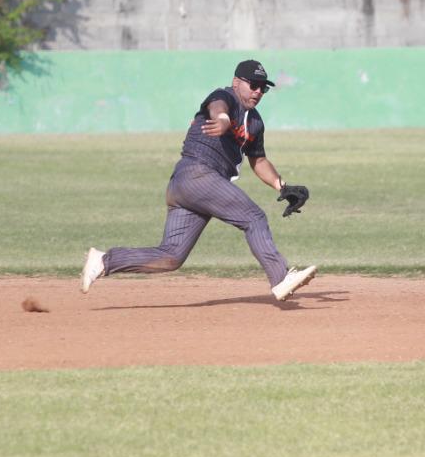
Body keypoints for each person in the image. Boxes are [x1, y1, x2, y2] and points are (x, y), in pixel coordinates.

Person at [80, 58, 317, 302]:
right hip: (197, 173)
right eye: (253, 84)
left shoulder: (255, 122)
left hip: (189, 187)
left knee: (171, 256)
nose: (258, 91)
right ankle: (280, 278)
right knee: (254, 217)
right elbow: (217, 106)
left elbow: (258, 160)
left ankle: (104, 261)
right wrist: (223, 119)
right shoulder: (225, 97)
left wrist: (282, 185)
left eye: (263, 88)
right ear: (236, 82)